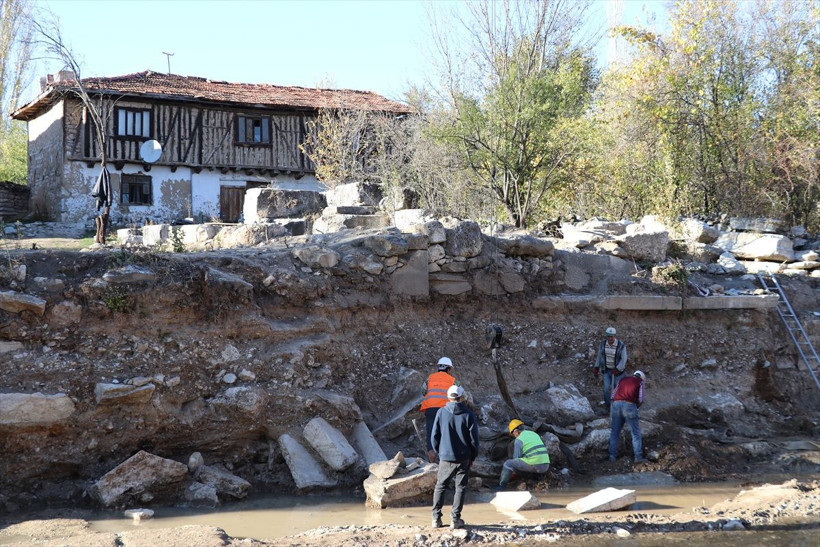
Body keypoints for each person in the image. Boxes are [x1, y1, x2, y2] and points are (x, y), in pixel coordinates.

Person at [430, 384, 479, 530]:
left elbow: (434, 437)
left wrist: (441, 453)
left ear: (448, 397)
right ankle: (455, 519)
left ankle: (436, 519)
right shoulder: (468, 415)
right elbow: (474, 441)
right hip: (464, 458)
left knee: (440, 486)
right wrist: (473, 457)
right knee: (460, 487)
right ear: (462, 397)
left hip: (445, 457)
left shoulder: (441, 412)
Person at [421, 356, 457, 463]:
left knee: (431, 432)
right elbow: (460, 393)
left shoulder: (430, 378)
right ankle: (445, 459)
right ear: (449, 369)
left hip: (430, 409)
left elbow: (423, 392)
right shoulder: (453, 380)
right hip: (445, 410)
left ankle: (431, 456)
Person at [497, 419, 551, 489]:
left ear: (516, 431)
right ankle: (536, 477)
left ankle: (501, 487)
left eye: (513, 434)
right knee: (530, 457)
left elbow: (516, 458)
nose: (514, 436)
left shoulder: (518, 440)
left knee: (508, 464)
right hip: (546, 465)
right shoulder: (534, 434)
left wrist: (512, 473)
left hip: (536, 465)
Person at [609, 370, 646, 463]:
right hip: (629, 406)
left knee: (615, 432)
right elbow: (641, 399)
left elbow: (613, 395)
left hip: (616, 405)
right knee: (635, 433)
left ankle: (612, 456)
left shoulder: (623, 379)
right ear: (642, 378)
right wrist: (635, 407)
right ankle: (638, 457)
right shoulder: (640, 382)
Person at [593, 326, 628, 410]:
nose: (609, 338)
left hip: (618, 372)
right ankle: (608, 406)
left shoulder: (621, 345)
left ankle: (618, 406)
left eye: (611, 336)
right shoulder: (603, 344)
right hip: (607, 370)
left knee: (617, 389)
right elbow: (599, 356)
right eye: (608, 336)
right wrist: (596, 367)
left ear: (614, 336)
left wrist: (618, 369)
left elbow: (624, 359)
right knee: (606, 389)